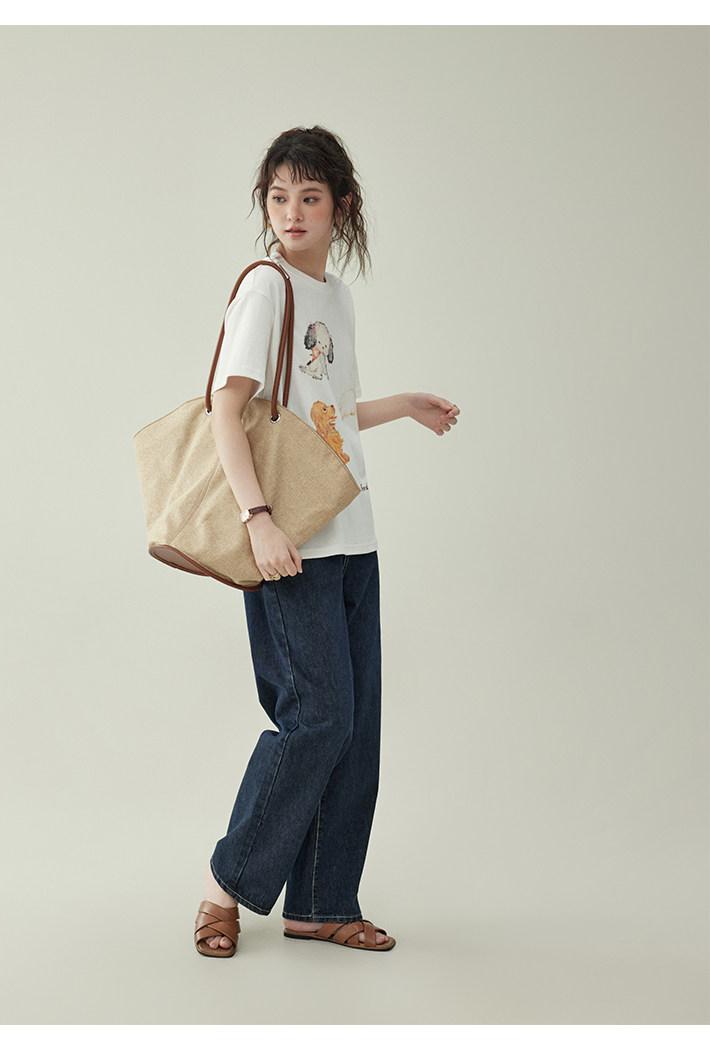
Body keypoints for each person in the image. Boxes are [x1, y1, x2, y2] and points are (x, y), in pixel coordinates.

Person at [194, 126, 459, 957]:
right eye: (279, 196)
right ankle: (225, 887)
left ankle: (319, 902)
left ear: (341, 205)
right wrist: (257, 519)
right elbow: (226, 410)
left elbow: (325, 415)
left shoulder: (335, 297)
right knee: (317, 718)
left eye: (309, 196)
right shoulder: (266, 288)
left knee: (355, 728)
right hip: (291, 541)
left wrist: (401, 405)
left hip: (354, 536)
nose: (292, 212)